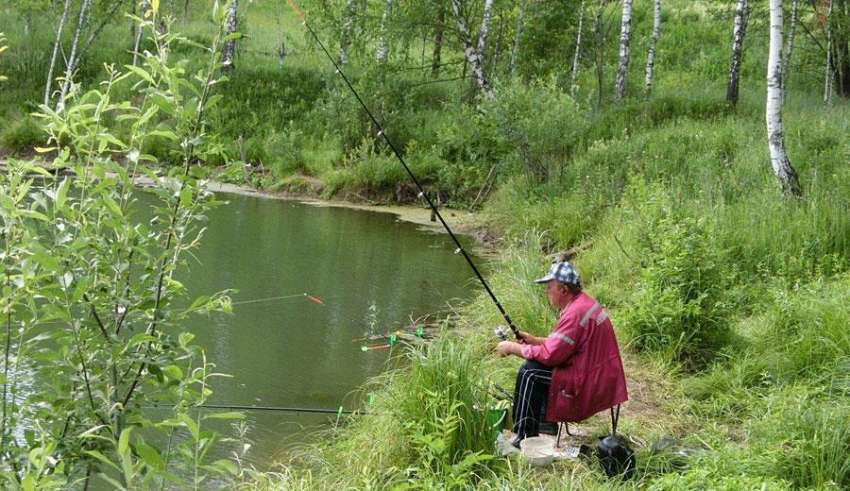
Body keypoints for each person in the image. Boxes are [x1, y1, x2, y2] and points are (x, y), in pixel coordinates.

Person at [496, 261, 628, 448]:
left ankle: (523, 437)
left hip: (590, 383)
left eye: (549, 287)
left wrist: (511, 348)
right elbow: (563, 346)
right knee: (536, 366)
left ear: (564, 290)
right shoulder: (583, 303)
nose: (546, 291)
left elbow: (551, 356)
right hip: (602, 376)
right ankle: (546, 424)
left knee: (530, 372)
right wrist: (534, 340)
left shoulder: (575, 313)